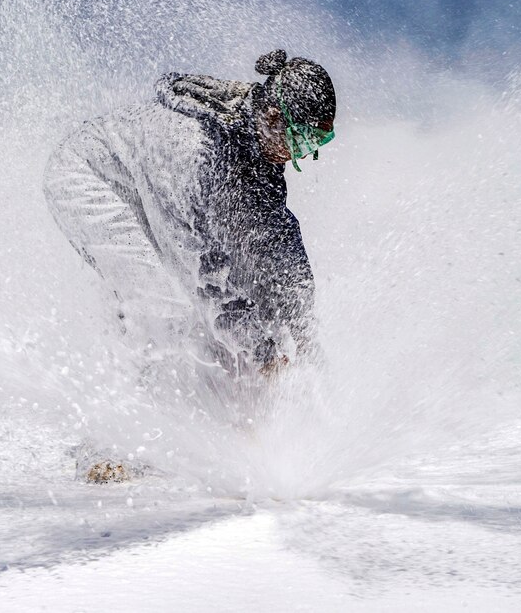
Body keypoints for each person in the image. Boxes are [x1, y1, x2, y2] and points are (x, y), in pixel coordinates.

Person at [43, 48, 336, 385]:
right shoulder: (192, 151)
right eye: (301, 140)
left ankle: (214, 401)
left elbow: (275, 241)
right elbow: (197, 264)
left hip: (146, 188)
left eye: (317, 142)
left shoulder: (258, 142)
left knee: (220, 320)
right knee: (168, 309)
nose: (302, 153)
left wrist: (303, 333)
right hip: (87, 177)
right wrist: (264, 354)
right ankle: (130, 408)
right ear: (272, 116)